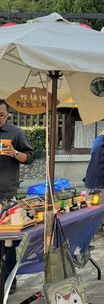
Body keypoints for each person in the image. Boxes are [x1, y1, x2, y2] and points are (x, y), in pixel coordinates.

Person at [0, 99, 34, 294]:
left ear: (6, 115)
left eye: (1, 115)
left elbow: (30, 158)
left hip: (6, 193)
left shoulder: (16, 133)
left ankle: (9, 280)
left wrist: (14, 153)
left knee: (9, 240)